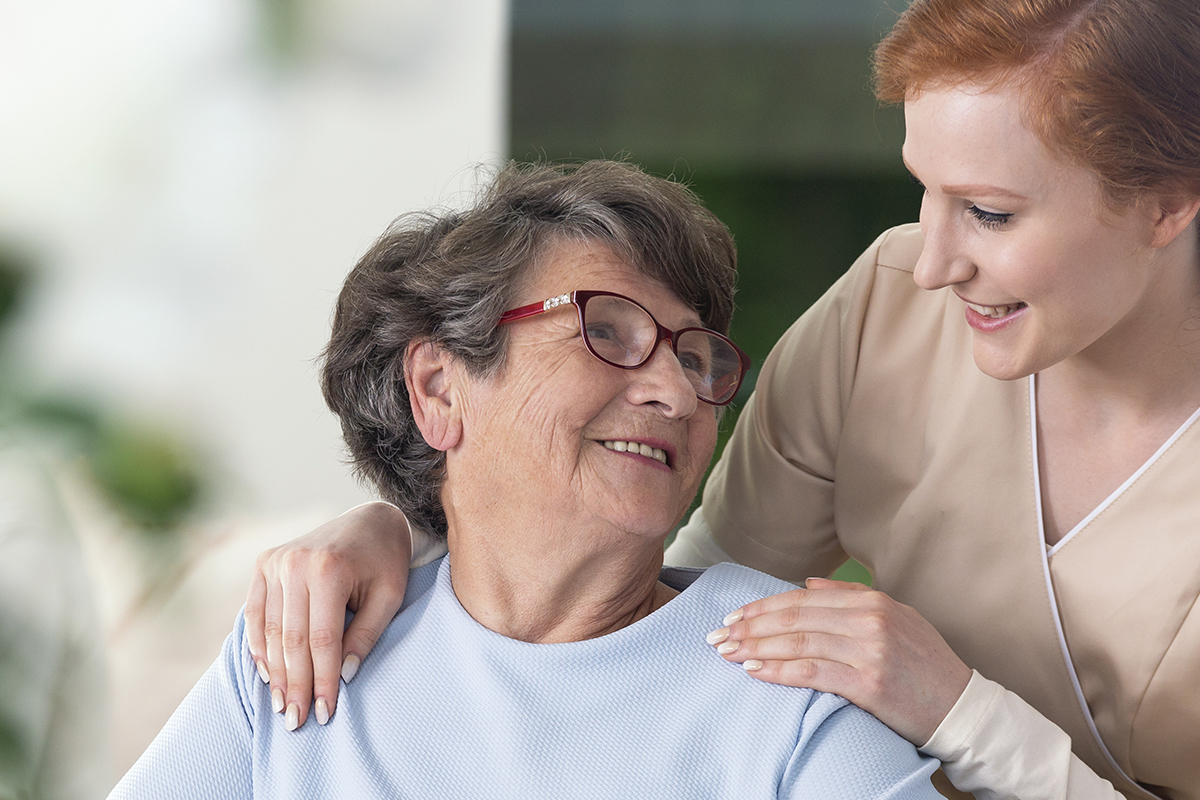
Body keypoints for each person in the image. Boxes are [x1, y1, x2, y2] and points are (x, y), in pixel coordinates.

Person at [243, 1, 1200, 799]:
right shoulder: (889, 314)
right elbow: (653, 601)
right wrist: (412, 536)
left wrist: (961, 712)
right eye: (926, 194)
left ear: (1167, 202)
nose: (936, 262)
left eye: (990, 212)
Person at [109, 160, 941, 798]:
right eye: (607, 330)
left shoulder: (789, 694)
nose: (677, 389)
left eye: (695, 356)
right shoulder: (302, 652)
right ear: (439, 389)